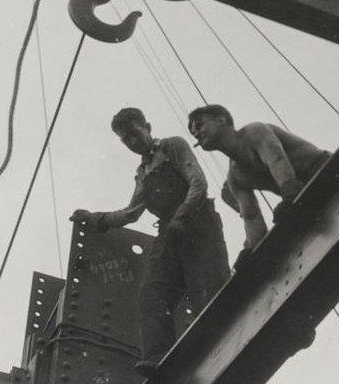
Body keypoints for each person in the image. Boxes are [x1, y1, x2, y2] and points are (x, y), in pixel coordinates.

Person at [70, 107, 230, 378]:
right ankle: (159, 356)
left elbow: (198, 184)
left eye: (134, 134)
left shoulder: (172, 147)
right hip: (170, 232)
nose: (132, 143)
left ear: (147, 126)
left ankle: (222, 347)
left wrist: (182, 216)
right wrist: (96, 218)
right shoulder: (143, 172)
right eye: (126, 140)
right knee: (152, 294)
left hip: (198, 223)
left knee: (206, 288)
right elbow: (132, 213)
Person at [187, 104, 339, 290]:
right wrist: (253, 251)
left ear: (221, 120)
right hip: (303, 196)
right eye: (193, 131)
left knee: (317, 218)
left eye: (199, 125)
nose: (196, 132)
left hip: (324, 171)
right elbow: (251, 217)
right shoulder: (235, 177)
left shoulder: (254, 132)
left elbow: (276, 159)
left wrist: (290, 194)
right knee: (321, 230)